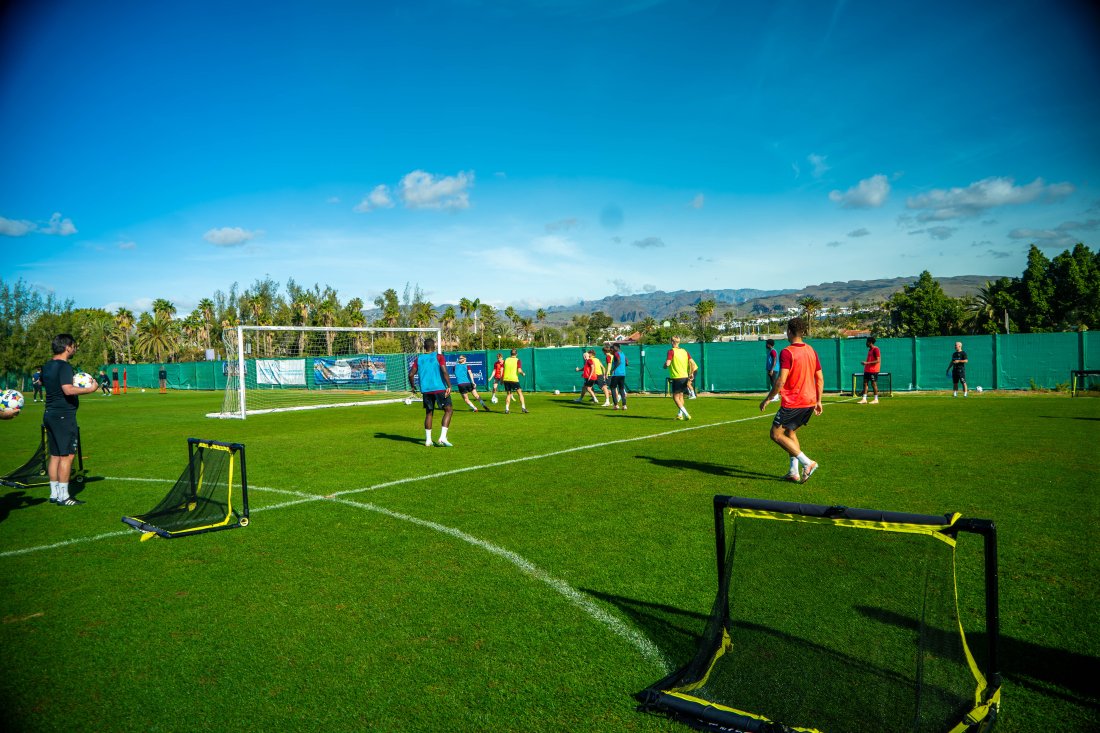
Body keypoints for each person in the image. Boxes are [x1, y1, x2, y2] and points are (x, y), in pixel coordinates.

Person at [759, 317, 823, 483]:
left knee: (775, 434)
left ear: (789, 331)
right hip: (809, 402)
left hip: (794, 402)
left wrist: (768, 398)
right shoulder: (811, 350)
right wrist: (819, 400)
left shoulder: (787, 352)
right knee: (790, 432)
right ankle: (793, 472)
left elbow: (781, 380)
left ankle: (807, 463)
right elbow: (820, 378)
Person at [42, 333, 99, 505]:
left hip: (50, 413)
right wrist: (90, 389)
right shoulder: (65, 366)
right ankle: (64, 496)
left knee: (55, 455)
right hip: (63, 416)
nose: (75, 349)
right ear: (67, 347)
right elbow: (67, 390)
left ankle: (54, 494)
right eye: (74, 346)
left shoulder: (47, 366)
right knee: (67, 456)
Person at [407, 338, 454, 447]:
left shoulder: (419, 359)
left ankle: (428, 440)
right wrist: (449, 386)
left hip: (426, 390)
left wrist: (413, 387)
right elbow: (444, 371)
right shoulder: (439, 356)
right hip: (439, 388)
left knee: (429, 413)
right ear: (434, 346)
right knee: (448, 410)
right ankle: (442, 437)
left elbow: (410, 374)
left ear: (424, 347)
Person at [664, 336, 697, 420]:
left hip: (677, 377)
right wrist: (692, 373)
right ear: (679, 342)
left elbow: (668, 363)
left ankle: (686, 414)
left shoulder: (671, 351)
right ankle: (680, 415)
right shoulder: (684, 351)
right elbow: (693, 363)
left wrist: (665, 365)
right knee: (681, 396)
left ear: (672, 342)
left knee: (675, 397)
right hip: (685, 377)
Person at [502, 348, 528, 414]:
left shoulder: (506, 360)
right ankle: (523, 408)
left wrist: (502, 379)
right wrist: (523, 373)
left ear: (510, 353)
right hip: (514, 379)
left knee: (508, 394)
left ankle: (507, 409)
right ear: (516, 354)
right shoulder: (517, 360)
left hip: (506, 379)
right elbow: (519, 370)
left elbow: (503, 370)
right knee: (520, 393)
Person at [858, 336, 881, 404]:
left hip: (873, 370)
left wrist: (866, 363)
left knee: (873, 384)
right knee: (865, 383)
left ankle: (876, 399)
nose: (866, 343)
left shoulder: (876, 349)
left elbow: (878, 360)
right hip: (867, 370)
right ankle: (864, 399)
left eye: (867, 342)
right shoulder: (870, 350)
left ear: (870, 342)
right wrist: (866, 364)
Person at [608, 343, 628, 410]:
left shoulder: (616, 353)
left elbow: (619, 361)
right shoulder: (623, 353)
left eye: (613, 347)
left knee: (613, 388)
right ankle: (624, 405)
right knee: (621, 389)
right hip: (623, 374)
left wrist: (613, 369)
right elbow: (627, 362)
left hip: (616, 374)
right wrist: (623, 367)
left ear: (617, 347)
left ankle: (616, 405)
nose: (612, 349)